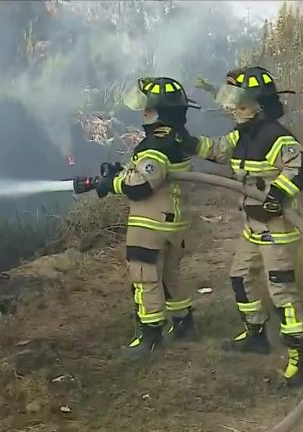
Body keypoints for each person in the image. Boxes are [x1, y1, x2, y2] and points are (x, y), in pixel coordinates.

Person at [192, 66, 303, 387]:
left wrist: (277, 195)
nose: (236, 109)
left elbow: (300, 172)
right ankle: (255, 335)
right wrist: (185, 143)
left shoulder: (278, 137)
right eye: (235, 104)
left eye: (242, 104)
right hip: (252, 226)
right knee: (240, 277)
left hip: (277, 230)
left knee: (282, 292)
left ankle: (301, 359)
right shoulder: (242, 135)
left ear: (260, 105)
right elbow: (218, 149)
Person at [83, 77, 199, 360]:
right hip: (174, 221)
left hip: (150, 224)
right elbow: (150, 173)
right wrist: (120, 171)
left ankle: (150, 337)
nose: (143, 113)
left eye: (148, 108)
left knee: (145, 278)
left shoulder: (156, 144)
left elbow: (141, 185)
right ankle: (184, 324)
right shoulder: (178, 137)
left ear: (162, 110)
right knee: (171, 275)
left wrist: (110, 184)